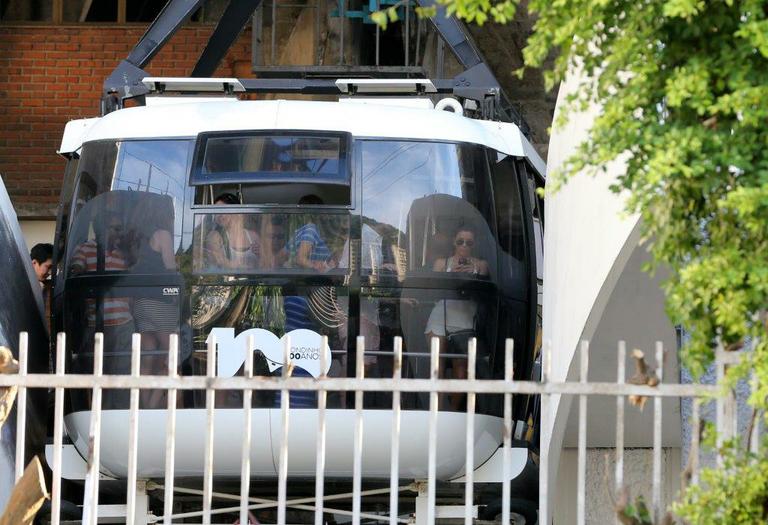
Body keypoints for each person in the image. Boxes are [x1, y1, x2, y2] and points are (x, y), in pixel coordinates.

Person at [425, 226, 488, 409]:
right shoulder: (441, 263)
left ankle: (452, 412)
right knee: (438, 369)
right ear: (454, 242)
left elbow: (483, 291)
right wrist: (452, 275)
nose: (464, 246)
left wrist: (473, 273)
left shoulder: (481, 265)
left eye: (469, 243)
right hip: (440, 316)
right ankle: (437, 411)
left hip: (466, 319)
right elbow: (432, 290)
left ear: (474, 245)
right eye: (460, 241)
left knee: (462, 372)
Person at [129, 197, 178, 406]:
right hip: (160, 303)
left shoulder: (139, 239)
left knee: (147, 359)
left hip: (141, 304)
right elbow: (170, 267)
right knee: (172, 358)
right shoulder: (163, 235)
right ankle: (151, 407)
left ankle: (141, 405)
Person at [206, 193, 261, 270]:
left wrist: (261, 255)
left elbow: (265, 265)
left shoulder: (253, 236)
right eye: (216, 212)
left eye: (222, 210)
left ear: (236, 210)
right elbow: (223, 264)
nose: (219, 215)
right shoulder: (214, 236)